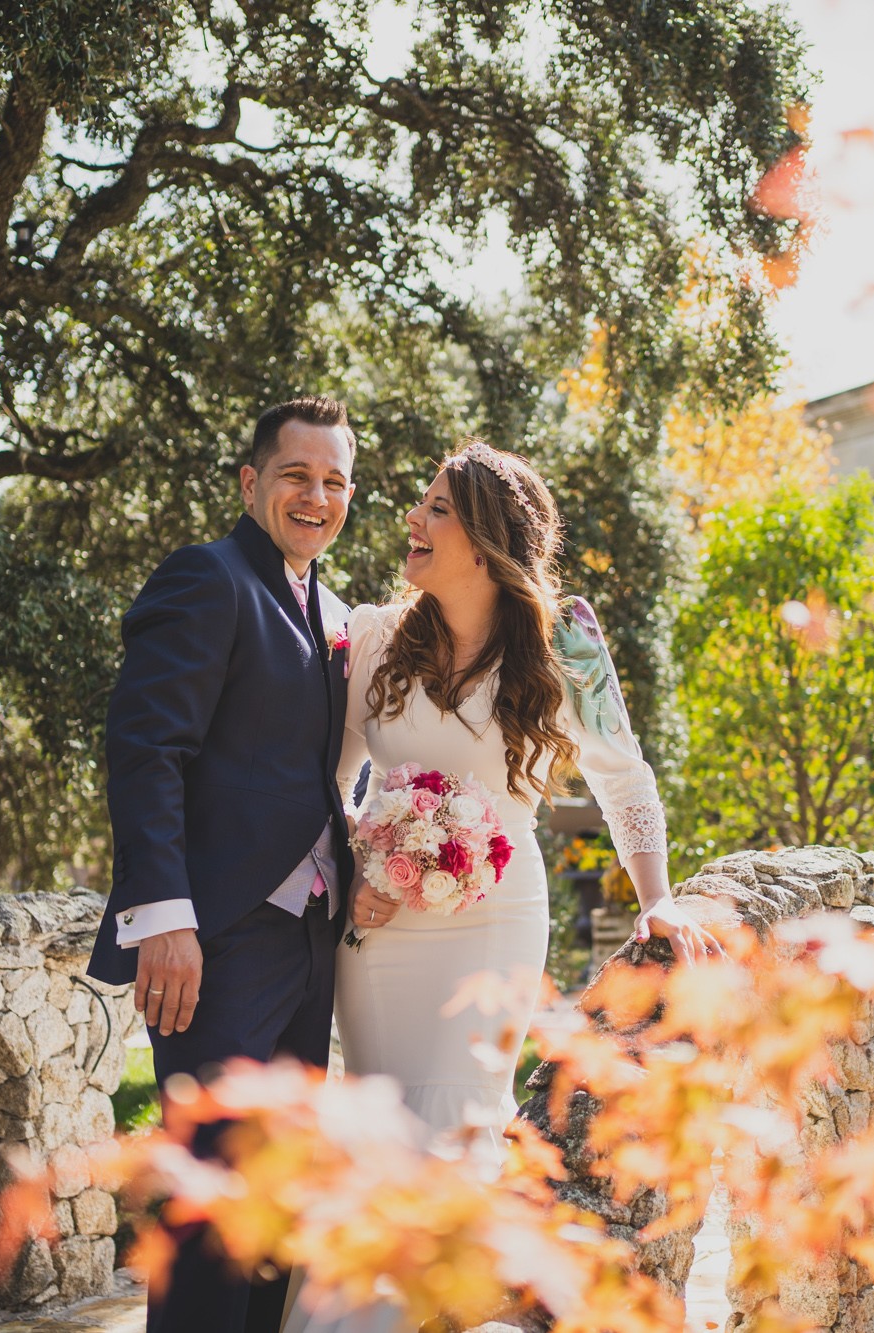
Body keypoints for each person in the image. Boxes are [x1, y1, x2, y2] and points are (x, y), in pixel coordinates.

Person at [283, 439, 718, 1333]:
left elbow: (625, 780)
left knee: (453, 1125)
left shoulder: (568, 646)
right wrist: (362, 867)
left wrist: (656, 898)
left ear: (482, 543)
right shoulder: (371, 640)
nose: (412, 518)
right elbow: (330, 783)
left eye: (435, 507)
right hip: (382, 936)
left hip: (494, 928)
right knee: (378, 1127)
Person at [86, 395, 358, 1333]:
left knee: (273, 1203)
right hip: (216, 940)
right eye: (297, 475)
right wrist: (166, 916)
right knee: (209, 1206)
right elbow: (146, 746)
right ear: (252, 483)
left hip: (313, 943)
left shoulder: (329, 607)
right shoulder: (207, 579)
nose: (316, 496)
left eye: (334, 480)